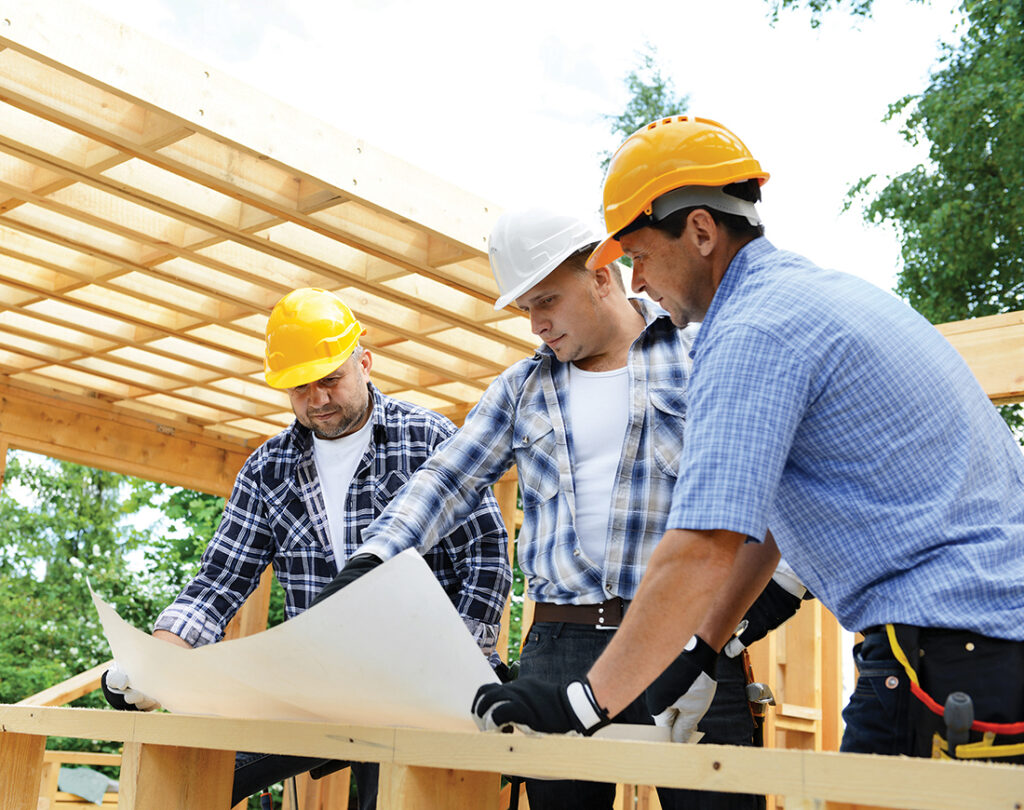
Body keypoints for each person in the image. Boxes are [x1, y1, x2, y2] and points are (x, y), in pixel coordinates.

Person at [471, 116, 1024, 767]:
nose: (638, 283)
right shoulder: (806, 296)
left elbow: (702, 546)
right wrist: (701, 651)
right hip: (978, 647)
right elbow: (762, 528)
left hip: (948, 650)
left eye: (641, 256)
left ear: (701, 231)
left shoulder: (753, 332)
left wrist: (583, 705)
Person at [342, 207, 779, 810]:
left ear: (602, 275)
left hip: (688, 640)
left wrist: (728, 629)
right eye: (526, 310)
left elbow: (769, 485)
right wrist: (375, 556)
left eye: (546, 301)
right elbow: (447, 477)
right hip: (559, 646)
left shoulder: (701, 352)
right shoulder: (521, 388)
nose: (536, 326)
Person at [102, 287, 511, 808]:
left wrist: (464, 659)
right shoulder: (268, 469)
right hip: (318, 685)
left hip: (419, 684)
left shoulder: (427, 439)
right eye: (300, 388)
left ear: (364, 361)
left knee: (394, 799)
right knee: (191, 774)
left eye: (330, 379)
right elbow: (219, 582)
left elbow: (486, 554)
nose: (318, 399)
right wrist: (157, 663)